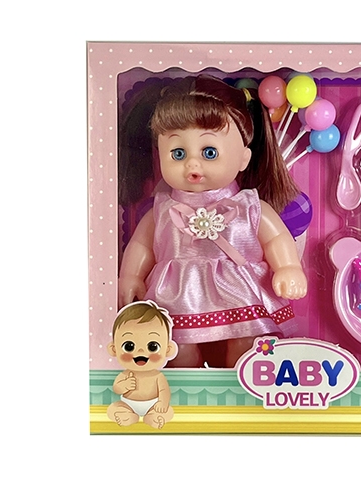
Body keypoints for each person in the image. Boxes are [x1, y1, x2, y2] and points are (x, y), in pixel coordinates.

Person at [117, 75, 307, 368]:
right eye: (178, 153)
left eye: (209, 152)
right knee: (175, 346)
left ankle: (243, 383)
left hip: (239, 291)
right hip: (178, 295)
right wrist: (130, 276)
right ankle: (185, 389)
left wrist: (288, 267)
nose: (192, 164)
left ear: (243, 158)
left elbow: (276, 238)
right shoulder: (163, 210)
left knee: (248, 341)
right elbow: (141, 245)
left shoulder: (248, 206)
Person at [107, 301, 178, 429]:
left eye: (152, 346)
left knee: (169, 411)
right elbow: (116, 388)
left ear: (168, 350)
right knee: (113, 408)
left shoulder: (158, 376)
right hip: (128, 404)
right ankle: (128, 416)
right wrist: (124, 385)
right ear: (114, 349)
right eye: (129, 346)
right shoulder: (126, 374)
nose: (140, 352)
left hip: (153, 405)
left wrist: (162, 403)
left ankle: (153, 417)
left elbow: (164, 391)